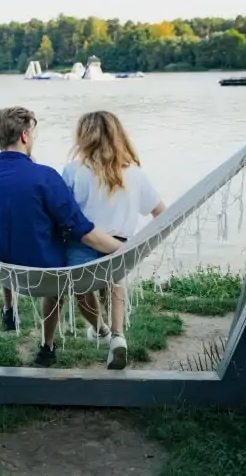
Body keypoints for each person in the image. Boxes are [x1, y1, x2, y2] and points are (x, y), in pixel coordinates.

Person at [0, 106, 124, 367]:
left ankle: (10, 310)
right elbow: (82, 230)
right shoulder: (45, 177)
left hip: (3, 269)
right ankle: (55, 343)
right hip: (43, 272)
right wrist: (121, 250)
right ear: (24, 136)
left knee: (12, 228)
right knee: (66, 256)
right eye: (33, 133)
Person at [62, 110, 165, 370]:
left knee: (82, 289)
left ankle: (100, 329)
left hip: (82, 243)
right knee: (114, 283)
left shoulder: (73, 171)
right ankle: (118, 336)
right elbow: (161, 213)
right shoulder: (134, 174)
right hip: (120, 245)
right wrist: (142, 244)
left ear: (83, 137)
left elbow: (60, 210)